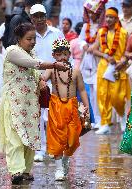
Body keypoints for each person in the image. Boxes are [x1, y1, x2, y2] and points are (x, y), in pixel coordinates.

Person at [0, 23, 68, 184]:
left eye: (34, 38)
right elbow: (34, 64)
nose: (33, 41)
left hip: (31, 104)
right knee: (14, 137)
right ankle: (16, 171)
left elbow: (35, 72)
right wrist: (55, 65)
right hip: (15, 102)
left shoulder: (32, 52)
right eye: (29, 39)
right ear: (19, 39)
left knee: (30, 138)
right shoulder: (12, 51)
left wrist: (41, 80)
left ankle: (26, 171)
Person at [42, 38, 89, 181]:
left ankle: (65, 159)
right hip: (56, 106)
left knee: (73, 138)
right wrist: (41, 82)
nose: (62, 57)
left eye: (65, 53)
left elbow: (82, 90)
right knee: (57, 138)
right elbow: (43, 78)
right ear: (53, 56)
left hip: (72, 107)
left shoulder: (75, 72)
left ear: (69, 54)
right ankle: (58, 168)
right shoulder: (51, 69)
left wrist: (86, 106)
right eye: (58, 54)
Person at [30, 3, 64, 162]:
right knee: (37, 116)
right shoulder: (28, 35)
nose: (39, 19)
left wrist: (50, 75)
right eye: (36, 16)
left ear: (46, 16)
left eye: (42, 15)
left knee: (52, 117)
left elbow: (63, 55)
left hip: (55, 80)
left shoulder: (56, 33)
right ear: (31, 18)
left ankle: (53, 147)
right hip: (34, 80)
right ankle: (40, 149)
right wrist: (39, 78)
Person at [92, 7, 130, 134]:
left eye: (111, 17)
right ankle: (105, 124)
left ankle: (122, 116)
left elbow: (127, 52)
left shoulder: (124, 33)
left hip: (118, 67)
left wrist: (123, 62)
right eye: (107, 17)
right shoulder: (101, 31)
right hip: (104, 67)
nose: (108, 19)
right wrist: (105, 56)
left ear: (116, 18)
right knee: (103, 96)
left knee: (117, 97)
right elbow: (95, 49)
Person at [79, 0, 107, 129]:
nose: (91, 15)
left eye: (93, 13)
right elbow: (80, 40)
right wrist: (84, 45)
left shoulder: (104, 28)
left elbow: (103, 43)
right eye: (89, 13)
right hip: (87, 61)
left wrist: (95, 47)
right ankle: (94, 119)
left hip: (99, 61)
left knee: (98, 92)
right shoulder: (86, 26)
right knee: (89, 91)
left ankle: (103, 119)